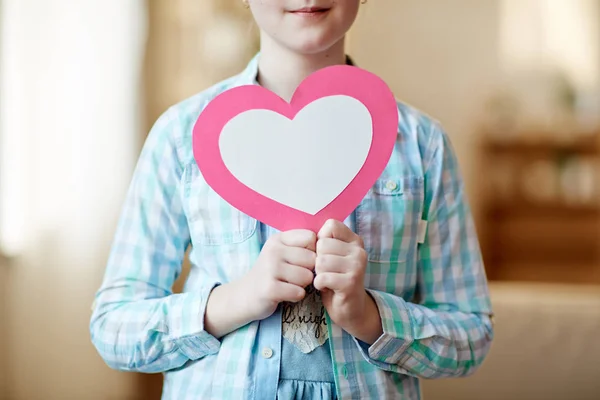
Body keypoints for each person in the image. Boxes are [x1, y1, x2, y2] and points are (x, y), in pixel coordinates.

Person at [90, 1, 494, 399]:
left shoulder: (423, 145)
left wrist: (370, 316)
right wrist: (238, 299)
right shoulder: (181, 137)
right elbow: (114, 328)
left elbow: (471, 336)